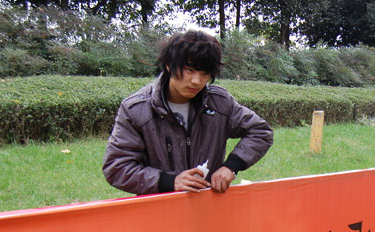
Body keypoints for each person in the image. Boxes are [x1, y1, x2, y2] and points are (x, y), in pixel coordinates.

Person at [103, 30, 273, 195]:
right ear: (169, 65)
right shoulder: (136, 110)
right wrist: (169, 182)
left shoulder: (219, 103)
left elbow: (260, 131)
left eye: (205, 73)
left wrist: (231, 166)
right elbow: (117, 167)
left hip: (208, 204)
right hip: (159, 207)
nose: (197, 81)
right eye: (189, 70)